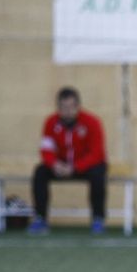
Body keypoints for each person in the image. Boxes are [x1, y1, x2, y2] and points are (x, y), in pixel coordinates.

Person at [30, 86, 107, 234]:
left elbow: (97, 153)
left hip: (84, 167)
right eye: (64, 107)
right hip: (61, 166)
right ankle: (40, 219)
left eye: (72, 107)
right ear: (58, 107)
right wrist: (54, 164)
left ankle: (98, 219)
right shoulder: (50, 122)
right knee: (40, 172)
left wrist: (75, 167)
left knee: (98, 173)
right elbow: (46, 149)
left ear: (78, 106)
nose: (68, 111)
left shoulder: (92, 122)